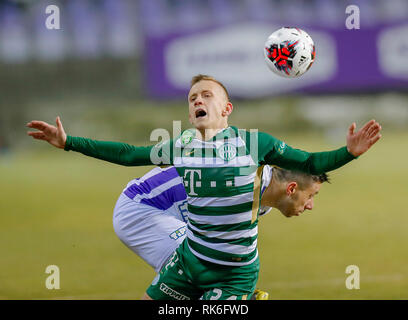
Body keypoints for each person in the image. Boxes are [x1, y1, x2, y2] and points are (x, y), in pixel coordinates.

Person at [27, 74, 382, 300]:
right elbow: (127, 154)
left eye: (206, 95)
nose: (197, 100)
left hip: (235, 274)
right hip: (187, 260)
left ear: (227, 108)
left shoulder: (254, 143)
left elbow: (310, 164)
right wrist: (69, 141)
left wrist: (347, 153)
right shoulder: (180, 146)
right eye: (192, 97)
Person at [112, 164, 327, 299]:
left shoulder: (263, 203)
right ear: (291, 189)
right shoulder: (244, 181)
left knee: (197, 275)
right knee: (197, 267)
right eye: (311, 195)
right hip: (142, 210)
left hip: (171, 214)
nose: (311, 205)